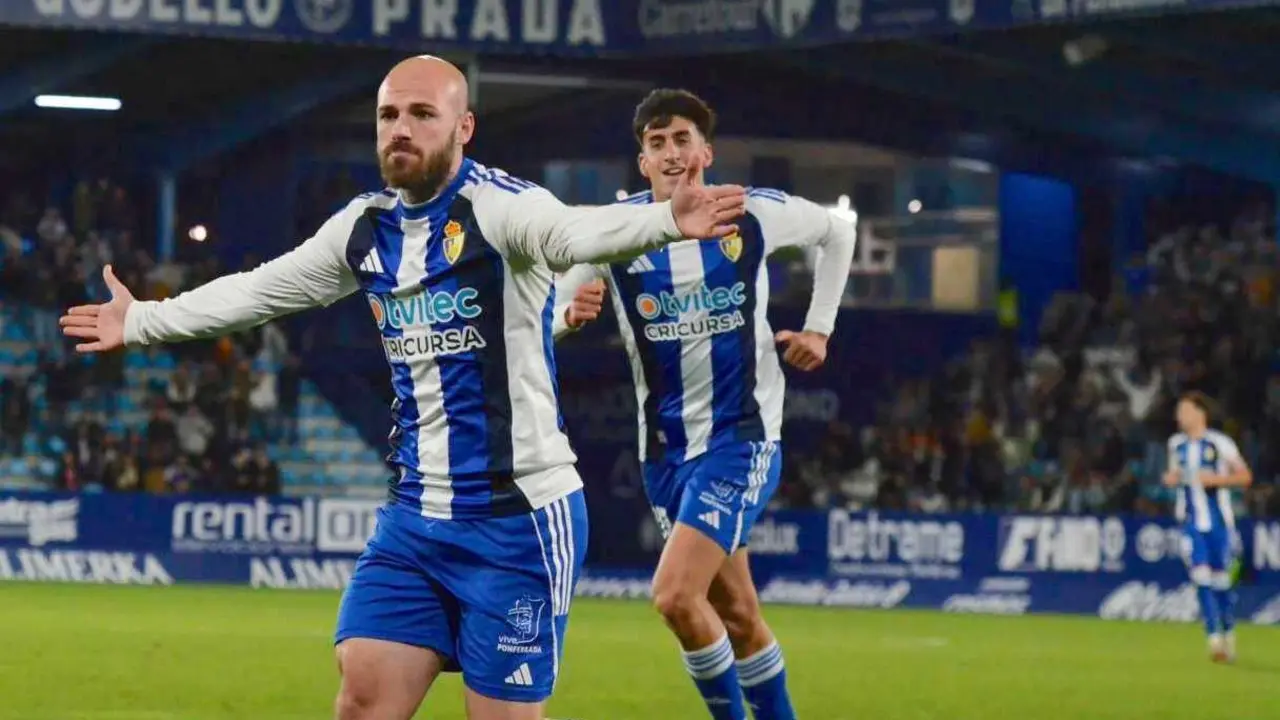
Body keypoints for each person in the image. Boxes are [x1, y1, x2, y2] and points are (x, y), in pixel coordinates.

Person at [60, 57, 746, 720]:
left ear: (463, 127)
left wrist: (662, 221)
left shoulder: (501, 209)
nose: (401, 129)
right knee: (363, 698)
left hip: (518, 521)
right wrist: (143, 318)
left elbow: (571, 232)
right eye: (388, 115)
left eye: (422, 114)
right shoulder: (366, 228)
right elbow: (262, 290)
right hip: (414, 519)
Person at [552, 88, 855, 720]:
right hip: (663, 455)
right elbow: (552, 303)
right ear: (642, 163)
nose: (669, 153)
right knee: (739, 615)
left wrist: (820, 328)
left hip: (740, 439)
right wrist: (566, 316)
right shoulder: (615, 234)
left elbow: (839, 231)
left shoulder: (752, 214)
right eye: (656, 143)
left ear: (705, 151)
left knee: (673, 596)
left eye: (681, 139)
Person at [1163, 391, 1252, 664]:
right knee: (1200, 577)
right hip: (1191, 524)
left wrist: (1214, 480)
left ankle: (1228, 635)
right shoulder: (1175, 444)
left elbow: (1245, 476)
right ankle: (1213, 640)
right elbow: (1175, 476)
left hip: (1219, 524)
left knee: (1221, 582)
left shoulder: (1219, 443)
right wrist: (1172, 479)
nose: (1180, 416)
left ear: (1200, 414)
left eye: (1184, 410)